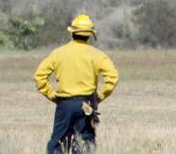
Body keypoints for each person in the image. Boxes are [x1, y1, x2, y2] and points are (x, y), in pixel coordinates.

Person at [33, 14, 119, 154]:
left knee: (58, 144)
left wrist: (52, 95)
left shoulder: (58, 53)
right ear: (90, 35)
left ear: (72, 32)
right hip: (87, 105)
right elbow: (113, 77)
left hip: (64, 104)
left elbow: (39, 76)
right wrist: (98, 97)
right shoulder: (97, 55)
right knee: (85, 144)